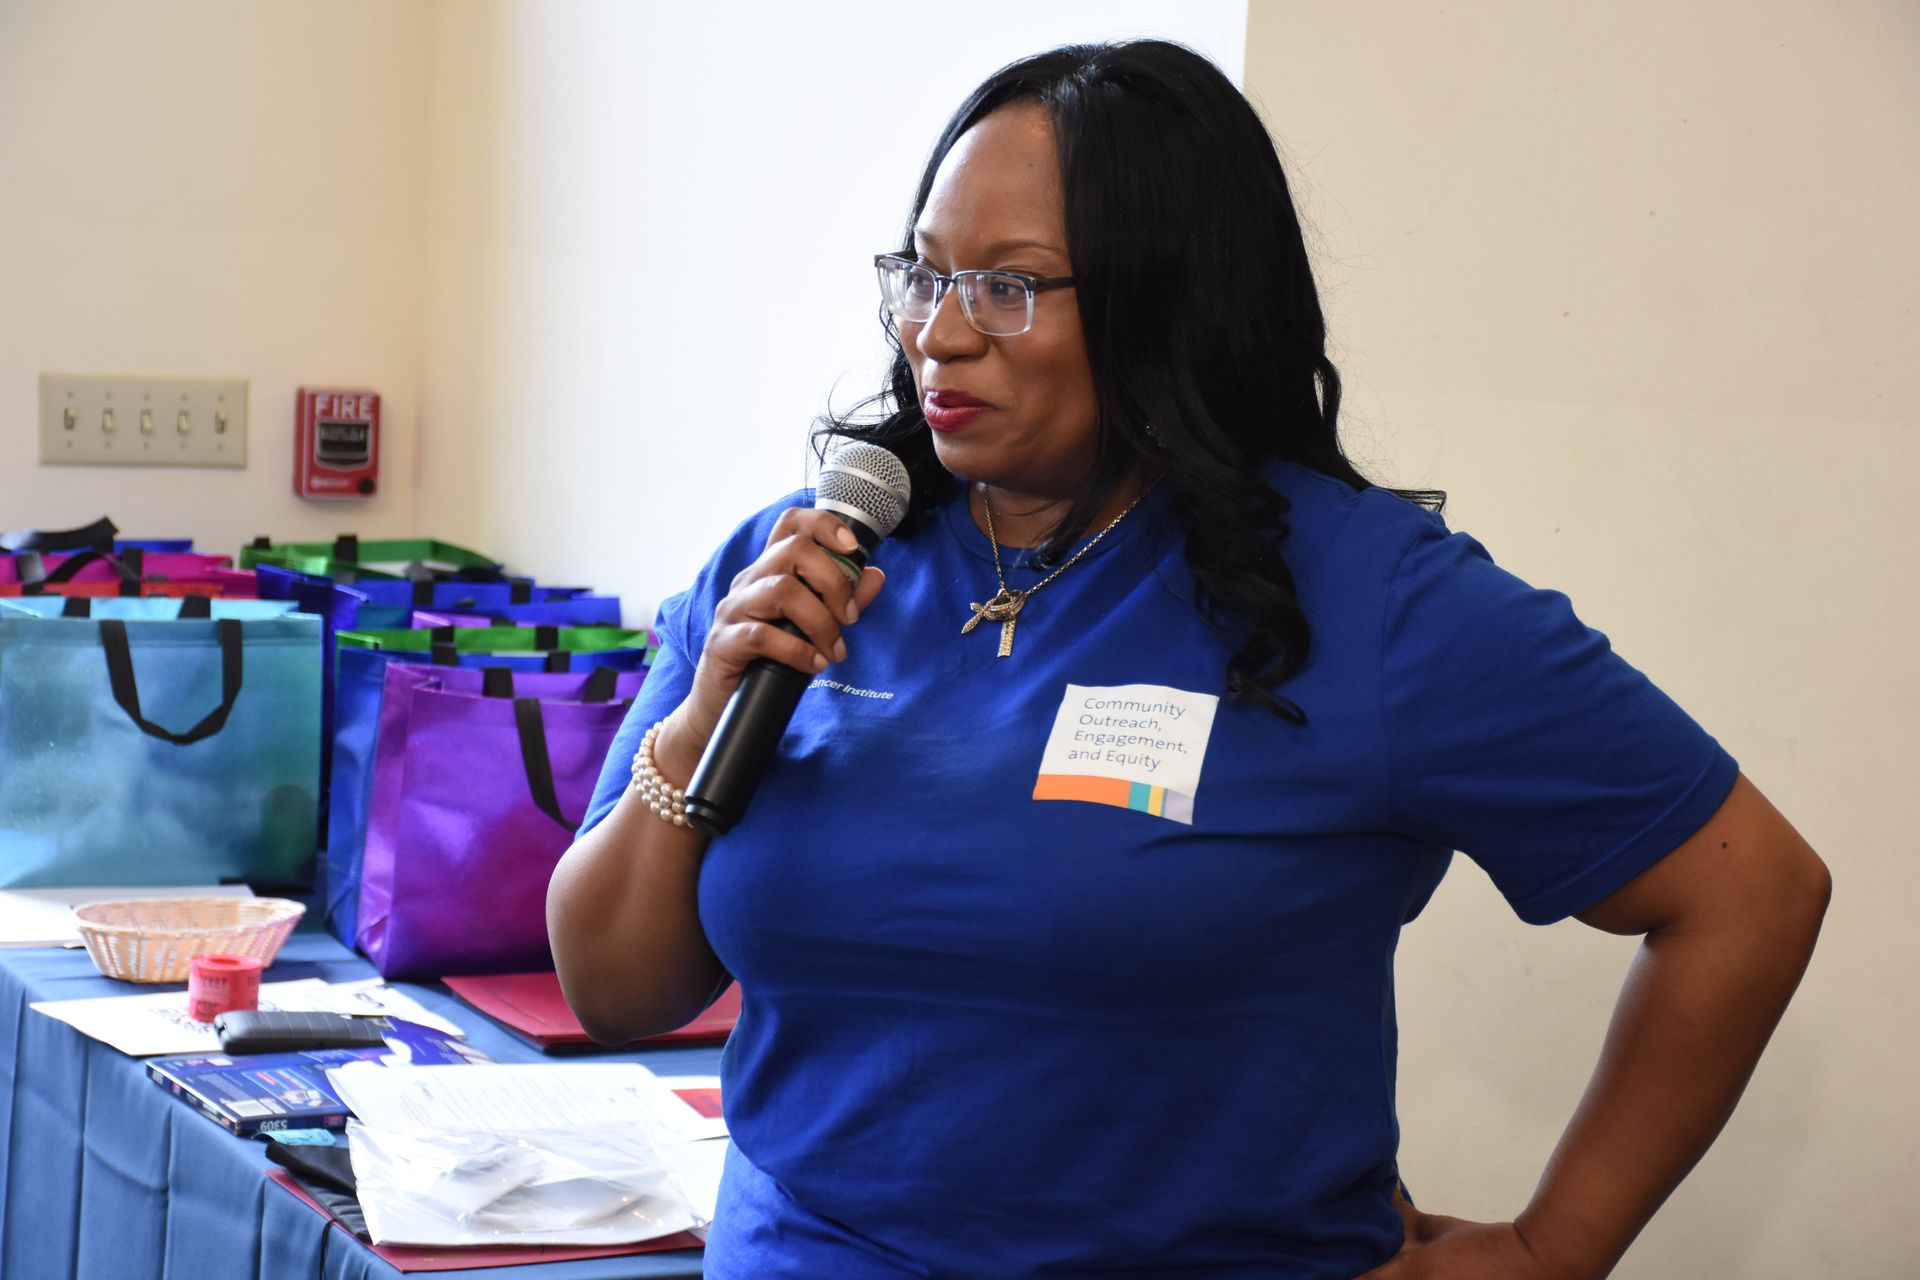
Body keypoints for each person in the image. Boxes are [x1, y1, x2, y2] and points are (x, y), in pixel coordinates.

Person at [548, 40, 1829, 1279]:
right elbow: (611, 987)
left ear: (1170, 297)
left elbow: (1751, 892)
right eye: (924, 274)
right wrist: (699, 722)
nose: (939, 334)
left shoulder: (1366, 598)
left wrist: (1555, 1251)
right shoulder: (806, 557)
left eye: (1011, 284)